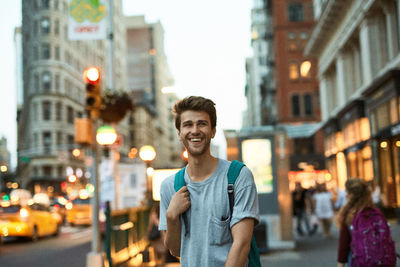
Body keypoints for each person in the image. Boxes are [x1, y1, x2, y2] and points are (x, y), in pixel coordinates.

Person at [159, 96, 260, 266]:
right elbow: (176, 250)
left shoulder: (238, 177)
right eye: (188, 125)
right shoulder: (170, 186)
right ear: (179, 134)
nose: (195, 130)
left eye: (202, 124)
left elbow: (241, 245)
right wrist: (171, 216)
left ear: (213, 131)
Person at [336, 177, 396, 267]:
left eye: (347, 192)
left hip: (359, 260)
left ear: (352, 195)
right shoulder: (375, 212)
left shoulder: (349, 214)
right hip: (381, 261)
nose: (345, 195)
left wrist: (340, 262)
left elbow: (344, 243)